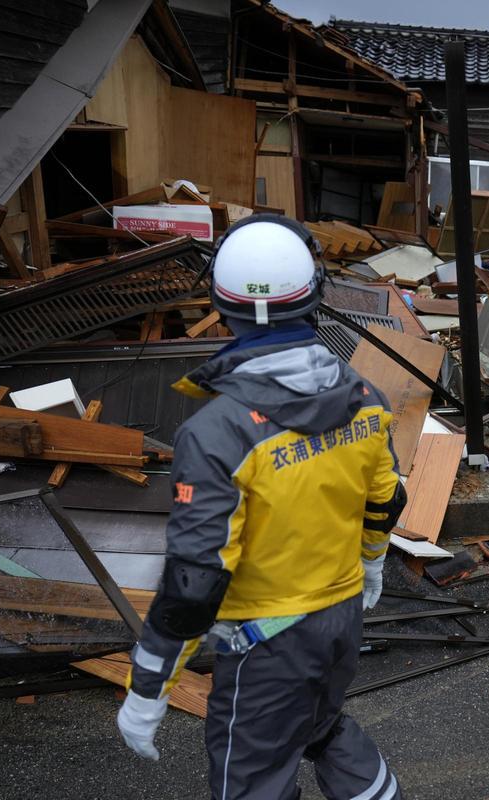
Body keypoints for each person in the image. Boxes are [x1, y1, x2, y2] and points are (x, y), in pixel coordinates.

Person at [116, 214, 407, 800]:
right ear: (315, 293)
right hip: (342, 616)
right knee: (321, 726)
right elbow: (387, 499)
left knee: (251, 777)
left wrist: (149, 686)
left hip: (267, 643)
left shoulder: (217, 432)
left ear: (222, 303)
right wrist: (371, 561)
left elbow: (196, 580)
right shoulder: (363, 397)